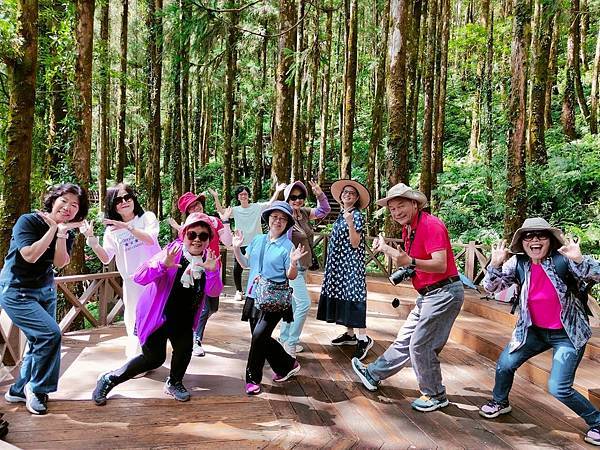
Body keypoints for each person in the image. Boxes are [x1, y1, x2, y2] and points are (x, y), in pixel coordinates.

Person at [478, 217, 600, 446]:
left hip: (568, 334)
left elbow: (596, 274)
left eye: (541, 235)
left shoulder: (565, 260)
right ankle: (500, 402)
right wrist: (494, 265)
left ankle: (597, 422)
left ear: (550, 240)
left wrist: (580, 259)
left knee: (558, 388)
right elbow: (490, 288)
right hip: (532, 331)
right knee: (505, 364)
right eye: (528, 236)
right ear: (522, 242)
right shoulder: (519, 263)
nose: (534, 240)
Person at [351, 183, 464, 412]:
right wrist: (388, 251)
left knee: (421, 344)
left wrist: (410, 262)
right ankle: (373, 374)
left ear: (414, 204)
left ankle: (435, 394)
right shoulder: (409, 229)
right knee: (405, 339)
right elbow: (411, 260)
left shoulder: (431, 225)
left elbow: (440, 264)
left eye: (400, 206)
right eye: (392, 209)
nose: (396, 212)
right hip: (428, 295)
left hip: (443, 293)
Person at [92, 213, 219, 405]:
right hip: (157, 316)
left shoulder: (209, 260)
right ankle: (109, 379)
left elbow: (214, 291)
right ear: (183, 235)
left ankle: (174, 382)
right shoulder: (172, 252)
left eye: (203, 236)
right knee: (153, 358)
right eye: (192, 235)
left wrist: (211, 272)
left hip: (184, 318)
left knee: (185, 350)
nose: (197, 240)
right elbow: (139, 277)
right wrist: (162, 265)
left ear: (209, 239)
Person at [1, 183, 89, 415]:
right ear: (53, 200)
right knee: (50, 334)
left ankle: (19, 390)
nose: (68, 207)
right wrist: (52, 229)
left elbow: (60, 262)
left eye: (74, 205)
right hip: (17, 290)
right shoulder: (28, 221)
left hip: (45, 290)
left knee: (38, 341)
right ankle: (38, 388)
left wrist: (61, 233)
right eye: (64, 200)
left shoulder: (65, 231)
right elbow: (29, 255)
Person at [232, 201, 307, 395]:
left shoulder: (288, 246)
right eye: (275, 217)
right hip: (253, 295)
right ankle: (287, 364)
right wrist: (236, 249)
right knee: (261, 339)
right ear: (268, 220)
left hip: (274, 298)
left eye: (283, 219)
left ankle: (252, 378)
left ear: (287, 223)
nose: (278, 221)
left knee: (258, 337)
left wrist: (292, 263)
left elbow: (291, 276)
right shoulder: (258, 240)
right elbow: (246, 264)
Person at [82, 183, 161, 358]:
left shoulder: (147, 217)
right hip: (132, 283)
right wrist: (92, 240)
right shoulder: (111, 231)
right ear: (112, 205)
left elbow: (149, 239)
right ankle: (137, 359)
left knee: (156, 320)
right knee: (133, 321)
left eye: (127, 197)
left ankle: (152, 357)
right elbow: (105, 258)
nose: (124, 202)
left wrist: (128, 227)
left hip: (154, 280)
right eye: (118, 200)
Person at [169, 191, 232, 357]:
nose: (196, 207)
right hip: (195, 269)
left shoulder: (214, 221)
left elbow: (228, 242)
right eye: (191, 207)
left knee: (213, 307)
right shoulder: (189, 226)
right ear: (188, 211)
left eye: (197, 203)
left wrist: (225, 221)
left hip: (213, 268)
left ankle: (193, 333)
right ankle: (195, 338)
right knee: (202, 306)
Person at [316, 179, 373, 360]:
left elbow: (356, 243)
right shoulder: (342, 214)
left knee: (354, 295)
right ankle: (350, 334)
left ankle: (363, 338)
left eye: (352, 193)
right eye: (345, 192)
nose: (347, 194)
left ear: (356, 199)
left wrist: (350, 223)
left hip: (351, 265)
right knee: (343, 294)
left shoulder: (356, 215)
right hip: (338, 264)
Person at [279, 180, 331, 357]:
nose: (297, 200)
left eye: (300, 196)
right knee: (304, 304)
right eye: (293, 197)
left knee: (293, 305)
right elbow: (280, 240)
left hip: (303, 267)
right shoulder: (285, 217)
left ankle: (284, 339)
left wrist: (319, 194)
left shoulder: (305, 213)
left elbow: (324, 210)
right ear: (287, 199)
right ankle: (291, 343)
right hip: (292, 269)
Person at [210, 184, 285, 302]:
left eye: (245, 194)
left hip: (257, 242)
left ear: (248, 196)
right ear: (238, 197)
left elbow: (270, 203)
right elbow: (221, 211)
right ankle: (239, 291)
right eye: (241, 194)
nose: (243, 196)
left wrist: (277, 191)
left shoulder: (257, 207)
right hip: (241, 242)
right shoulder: (235, 210)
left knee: (261, 265)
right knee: (237, 267)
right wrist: (216, 197)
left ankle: (260, 288)